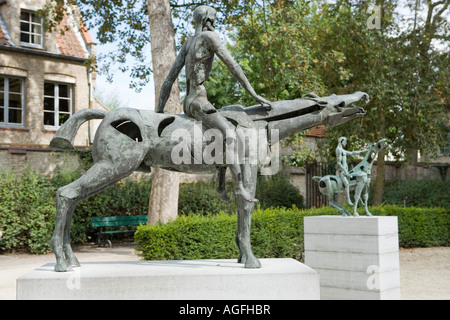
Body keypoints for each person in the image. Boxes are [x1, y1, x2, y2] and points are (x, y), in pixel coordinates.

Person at [157, 5, 271, 203]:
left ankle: (220, 185)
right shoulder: (211, 38)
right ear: (207, 19)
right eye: (214, 18)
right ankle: (239, 188)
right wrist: (253, 94)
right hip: (199, 101)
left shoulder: (188, 43)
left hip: (189, 102)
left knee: (220, 133)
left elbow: (169, 80)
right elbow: (233, 67)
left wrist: (159, 110)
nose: (215, 22)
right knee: (231, 135)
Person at [336, 137, 366, 205]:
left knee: (357, 182)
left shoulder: (343, 150)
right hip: (343, 172)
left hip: (347, 172)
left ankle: (359, 199)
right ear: (341, 141)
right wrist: (345, 172)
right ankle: (348, 200)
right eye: (345, 141)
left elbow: (352, 153)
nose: (346, 143)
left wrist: (363, 152)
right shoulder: (338, 150)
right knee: (346, 184)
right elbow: (338, 163)